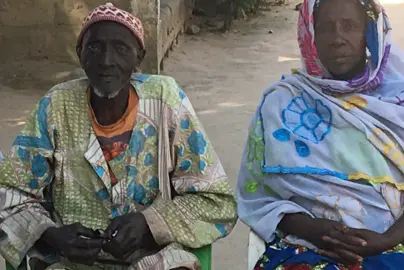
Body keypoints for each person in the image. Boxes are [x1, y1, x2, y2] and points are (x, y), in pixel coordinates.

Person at [0, 3, 237, 270]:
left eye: (121, 48)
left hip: (153, 259)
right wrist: (52, 235)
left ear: (139, 57)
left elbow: (217, 202)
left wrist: (150, 223)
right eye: (94, 47)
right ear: (80, 54)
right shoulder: (56, 106)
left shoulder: (166, 101)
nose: (106, 61)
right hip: (69, 262)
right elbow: (9, 194)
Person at [237, 0, 404, 269]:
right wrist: (316, 231)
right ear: (310, 36)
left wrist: (385, 240)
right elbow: (259, 194)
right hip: (306, 245)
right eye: (326, 28)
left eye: (350, 26)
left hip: (399, 244)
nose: (338, 39)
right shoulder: (281, 104)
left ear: (368, 33)